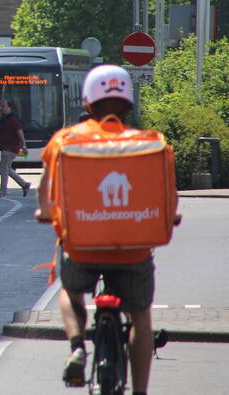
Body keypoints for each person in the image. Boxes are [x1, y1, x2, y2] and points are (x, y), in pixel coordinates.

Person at [36, 65, 181, 394]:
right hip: (134, 249)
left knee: (70, 292)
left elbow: (45, 188)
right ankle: (140, 391)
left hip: (82, 247)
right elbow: (168, 195)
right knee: (141, 315)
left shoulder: (66, 141)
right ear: (129, 103)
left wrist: (45, 212)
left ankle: (77, 348)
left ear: (87, 103)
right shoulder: (151, 142)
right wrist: (169, 217)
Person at [0, 98, 31, 199]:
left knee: (3, 169)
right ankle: (24, 185)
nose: (1, 108)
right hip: (5, 146)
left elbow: (20, 132)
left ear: (9, 107)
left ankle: (3, 191)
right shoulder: (4, 119)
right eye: (0, 106)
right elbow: (2, 133)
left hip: (10, 147)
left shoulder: (12, 119)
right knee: (8, 169)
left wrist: (24, 146)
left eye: (3, 106)